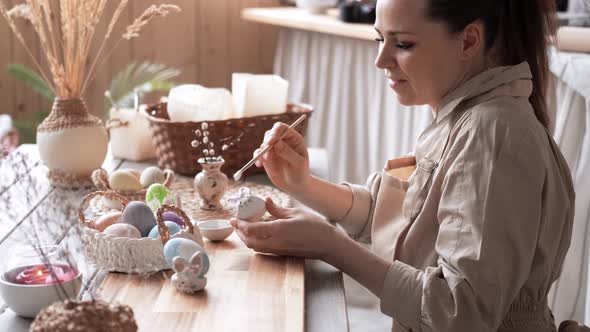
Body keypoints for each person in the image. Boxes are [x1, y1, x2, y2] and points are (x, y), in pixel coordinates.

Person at [229, 0, 575, 331]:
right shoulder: (465, 118)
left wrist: (330, 245)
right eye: (380, 38)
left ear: (469, 41)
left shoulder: (491, 132)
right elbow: (402, 215)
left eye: (403, 44)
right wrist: (302, 184)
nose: (380, 60)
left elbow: (460, 313)